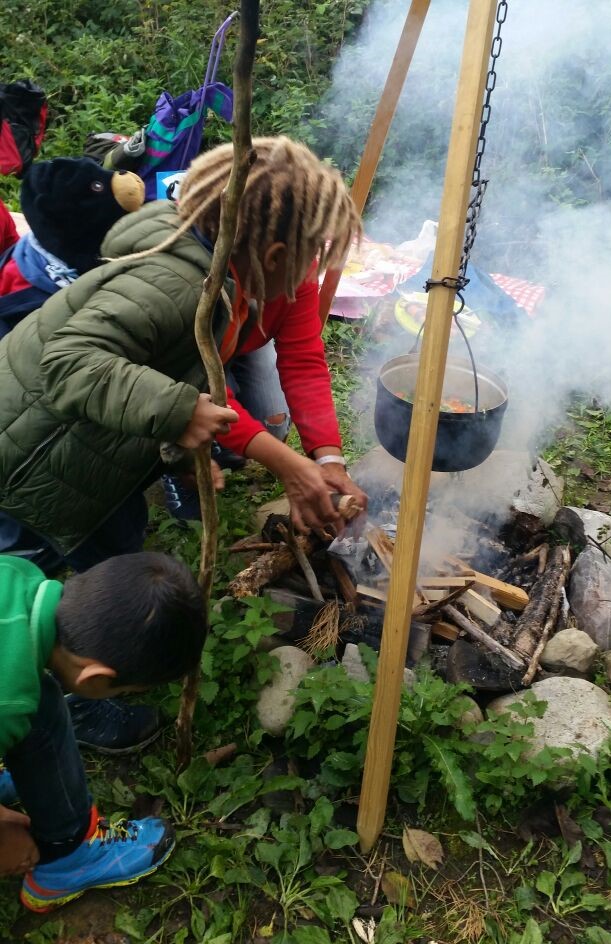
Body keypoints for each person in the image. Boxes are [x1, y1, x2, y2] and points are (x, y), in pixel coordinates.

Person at [0, 551, 206, 912]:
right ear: (94, 677)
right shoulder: (8, 701)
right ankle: (67, 860)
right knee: (38, 707)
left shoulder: (14, 573)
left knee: (38, 700)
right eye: (121, 692)